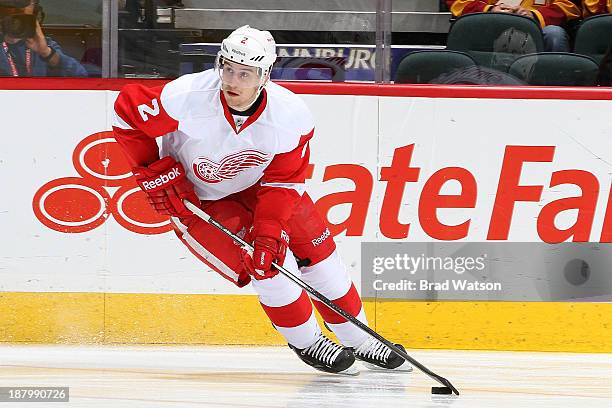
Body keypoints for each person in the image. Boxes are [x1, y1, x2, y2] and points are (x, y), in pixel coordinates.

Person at [112, 25, 412, 375]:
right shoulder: (186, 96)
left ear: (264, 75)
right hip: (200, 200)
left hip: (262, 188)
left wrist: (269, 229)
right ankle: (308, 340)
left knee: (319, 254)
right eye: (227, 68)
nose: (232, 81)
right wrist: (150, 169)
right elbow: (126, 111)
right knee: (266, 263)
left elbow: (284, 181)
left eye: (245, 73)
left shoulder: (290, 116)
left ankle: (361, 339)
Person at [447, 0, 581, 52]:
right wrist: (489, 10)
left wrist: (534, 16)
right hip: (487, 25)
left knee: (554, 34)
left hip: (539, 29)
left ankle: (558, 92)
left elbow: (570, 5)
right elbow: (459, 3)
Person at [0, 0, 87, 77]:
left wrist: (46, 53)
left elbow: (81, 75)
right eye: (10, 5)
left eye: (24, 3)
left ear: (35, 11)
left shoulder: (42, 43)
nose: (17, 8)